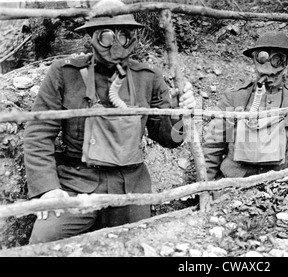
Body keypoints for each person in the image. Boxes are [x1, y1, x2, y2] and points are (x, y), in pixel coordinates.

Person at [23, 0, 195, 244]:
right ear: (92, 37)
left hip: (130, 188)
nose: (116, 43)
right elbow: (38, 133)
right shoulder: (65, 73)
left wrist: (179, 115)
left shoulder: (149, 78)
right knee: (40, 246)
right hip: (76, 184)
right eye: (106, 35)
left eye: (124, 35)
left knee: (139, 246)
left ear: (133, 37)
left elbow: (169, 138)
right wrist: (47, 189)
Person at [202, 31, 288, 181]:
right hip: (233, 183)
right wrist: (204, 188)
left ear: (286, 66)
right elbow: (213, 147)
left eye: (274, 75)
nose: (268, 78)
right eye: (263, 73)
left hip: (275, 185)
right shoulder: (234, 97)